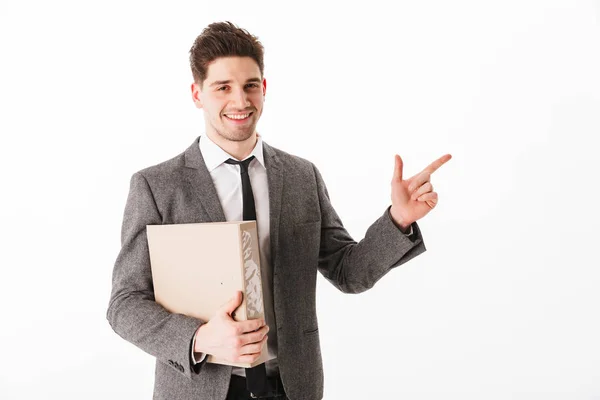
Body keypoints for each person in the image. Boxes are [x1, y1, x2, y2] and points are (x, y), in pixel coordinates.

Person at [106, 21, 451, 400]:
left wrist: (398, 220)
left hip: (292, 388)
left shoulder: (301, 176)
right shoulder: (156, 186)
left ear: (264, 88)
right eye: (223, 87)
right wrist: (199, 338)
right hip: (198, 389)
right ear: (197, 94)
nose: (240, 101)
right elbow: (125, 304)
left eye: (250, 85)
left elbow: (348, 272)